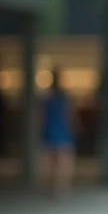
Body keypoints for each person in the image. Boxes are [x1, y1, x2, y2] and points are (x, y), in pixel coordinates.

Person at [39, 68, 77, 199]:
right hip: (63, 132)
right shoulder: (64, 98)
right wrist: (75, 127)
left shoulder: (47, 98)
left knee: (51, 161)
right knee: (64, 162)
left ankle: (53, 186)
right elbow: (69, 115)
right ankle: (61, 187)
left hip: (49, 131)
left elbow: (41, 117)